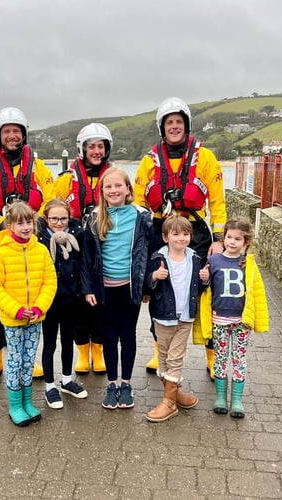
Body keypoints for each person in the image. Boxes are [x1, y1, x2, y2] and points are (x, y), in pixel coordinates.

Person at [134, 96, 227, 376]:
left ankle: (212, 357)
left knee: (206, 292)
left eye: (179, 122)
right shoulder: (149, 161)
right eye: (169, 123)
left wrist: (219, 240)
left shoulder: (206, 158)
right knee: (159, 290)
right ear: (162, 127)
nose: (174, 127)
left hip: (194, 232)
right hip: (159, 231)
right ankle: (159, 351)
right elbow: (138, 202)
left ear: (186, 125)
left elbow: (217, 203)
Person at [0, 107, 55, 386]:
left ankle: (30, 356)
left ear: (24, 134)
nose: (12, 136)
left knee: (30, 293)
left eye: (16, 131)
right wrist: (4, 225)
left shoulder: (38, 167)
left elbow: (51, 195)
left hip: (30, 238)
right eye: (7, 131)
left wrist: (31, 223)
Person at [81, 167, 152, 410]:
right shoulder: (94, 218)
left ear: (128, 189)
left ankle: (127, 384)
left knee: (128, 334)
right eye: (108, 186)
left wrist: (147, 286)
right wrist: (88, 289)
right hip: (104, 288)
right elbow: (87, 257)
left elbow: (148, 253)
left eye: (118, 185)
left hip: (130, 287)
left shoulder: (142, 216)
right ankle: (112, 384)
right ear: (102, 191)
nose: (113, 190)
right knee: (109, 336)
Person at [0, 201, 57, 426]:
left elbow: (49, 281)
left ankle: (27, 402)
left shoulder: (41, 250)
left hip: (35, 318)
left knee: (29, 360)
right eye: (20, 223)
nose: (26, 227)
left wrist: (39, 307)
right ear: (10, 226)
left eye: (29, 222)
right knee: (15, 360)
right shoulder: (1, 253)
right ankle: (15, 405)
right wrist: (15, 309)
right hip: (12, 319)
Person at [53, 123, 113, 375]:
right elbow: (52, 210)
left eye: (101, 146)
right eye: (92, 147)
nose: (96, 151)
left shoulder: (113, 178)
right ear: (82, 149)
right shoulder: (65, 180)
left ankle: (98, 351)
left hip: (104, 245)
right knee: (78, 302)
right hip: (75, 247)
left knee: (100, 301)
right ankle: (82, 352)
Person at [144, 215, 210, 422]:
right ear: (166, 237)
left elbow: (199, 287)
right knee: (164, 356)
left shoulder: (195, 258)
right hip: (163, 316)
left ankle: (169, 403)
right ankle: (175, 393)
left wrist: (205, 280)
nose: (181, 238)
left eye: (186, 234)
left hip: (186, 316)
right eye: (176, 234)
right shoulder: (157, 258)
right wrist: (154, 277)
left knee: (175, 357)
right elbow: (146, 282)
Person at [206, 217, 269, 418]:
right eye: (229, 237)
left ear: (246, 242)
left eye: (238, 239)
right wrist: (204, 279)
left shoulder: (249, 264)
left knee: (239, 358)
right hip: (219, 319)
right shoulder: (213, 261)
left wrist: (258, 319)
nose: (232, 242)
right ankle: (220, 397)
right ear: (223, 238)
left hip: (242, 321)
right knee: (220, 357)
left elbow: (257, 292)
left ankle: (237, 400)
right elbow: (207, 290)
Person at [37, 198, 88, 408]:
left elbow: (84, 264)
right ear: (46, 219)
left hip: (71, 298)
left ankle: (66, 380)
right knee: (50, 343)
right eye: (54, 219)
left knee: (68, 341)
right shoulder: (39, 239)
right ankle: (49, 386)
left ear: (70, 218)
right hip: (49, 300)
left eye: (63, 219)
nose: (59, 223)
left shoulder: (78, 236)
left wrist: (83, 291)